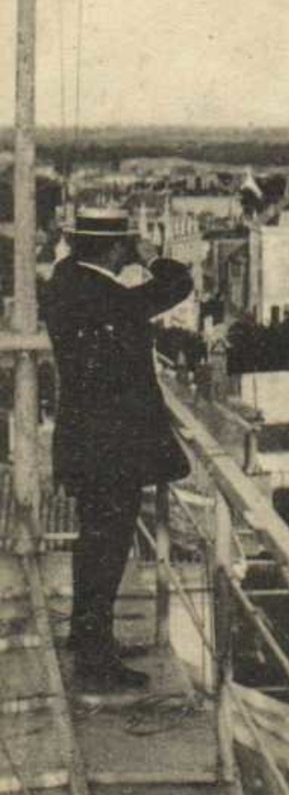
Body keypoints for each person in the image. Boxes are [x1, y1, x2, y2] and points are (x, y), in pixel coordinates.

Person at [43, 209, 193, 690]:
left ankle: (89, 638)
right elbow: (176, 285)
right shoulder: (105, 296)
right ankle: (94, 659)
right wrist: (152, 256)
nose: (131, 250)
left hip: (85, 438)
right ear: (113, 247)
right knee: (106, 548)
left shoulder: (68, 282)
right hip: (111, 447)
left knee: (95, 543)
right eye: (127, 243)